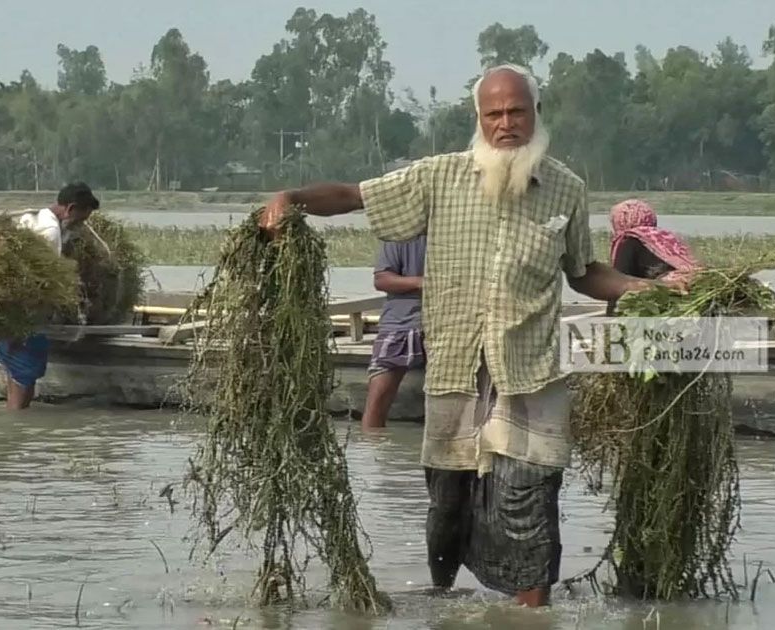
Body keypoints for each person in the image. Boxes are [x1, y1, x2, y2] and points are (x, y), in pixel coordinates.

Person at [257, 64, 676, 607]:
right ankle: (443, 604)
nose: (506, 123)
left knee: (530, 498)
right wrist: (291, 197)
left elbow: (583, 271)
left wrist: (636, 291)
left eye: (516, 111)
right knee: (447, 506)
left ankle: (532, 610)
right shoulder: (440, 177)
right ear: (479, 119)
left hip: (530, 371)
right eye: (494, 113)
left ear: (536, 115)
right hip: (455, 369)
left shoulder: (566, 189)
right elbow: (355, 195)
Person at [0, 182, 101, 410]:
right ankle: (16, 428)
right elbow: (43, 281)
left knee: (19, 375)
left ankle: (17, 425)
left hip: (6, 311)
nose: (82, 224)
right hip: (26, 316)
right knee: (24, 376)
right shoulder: (50, 233)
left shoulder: (32, 218)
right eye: (82, 217)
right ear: (70, 209)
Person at [361, 235, 426, 430]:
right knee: (376, 404)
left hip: (450, 321)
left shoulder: (463, 232)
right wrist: (423, 283)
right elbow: (382, 280)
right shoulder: (400, 235)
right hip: (401, 321)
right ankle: (373, 450)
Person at [606, 198, 700, 315]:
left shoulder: (629, 240)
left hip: (664, 295)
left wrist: (611, 315)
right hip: (691, 292)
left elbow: (619, 285)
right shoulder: (668, 237)